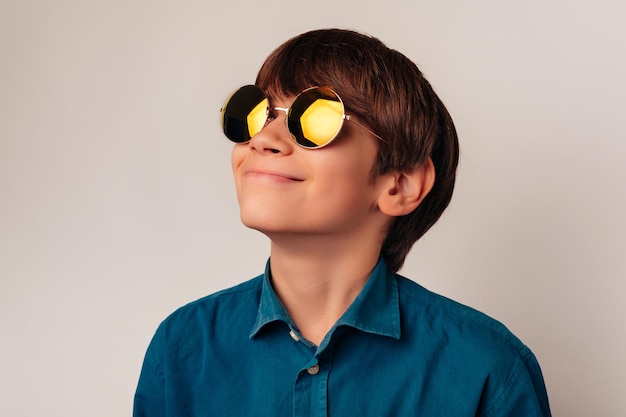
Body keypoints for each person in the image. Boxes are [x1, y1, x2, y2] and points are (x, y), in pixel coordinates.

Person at [133, 28, 551, 417]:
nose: (263, 139)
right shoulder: (182, 348)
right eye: (256, 113)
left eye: (315, 118)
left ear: (401, 184)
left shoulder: (487, 369)